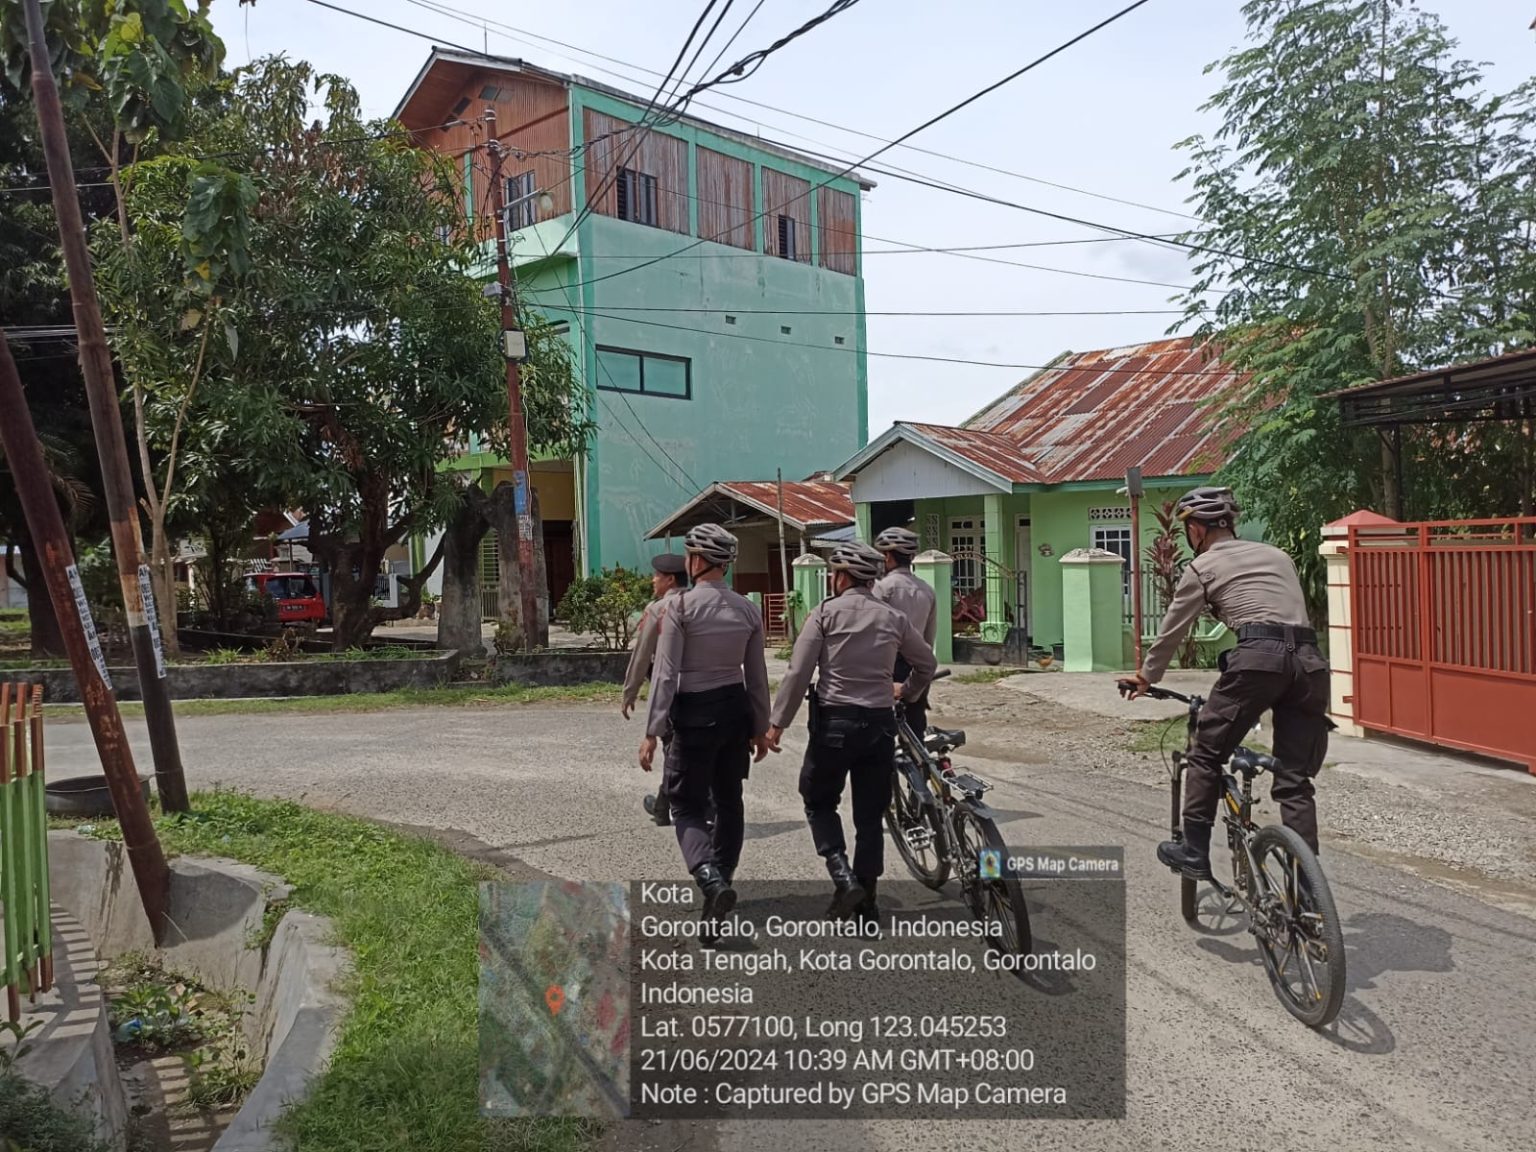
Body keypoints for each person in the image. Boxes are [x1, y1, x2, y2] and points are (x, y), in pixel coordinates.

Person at [1121, 486, 1330, 880]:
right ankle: (1308, 887)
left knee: (1205, 755)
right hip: (1310, 663)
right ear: (1230, 523)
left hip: (1256, 660)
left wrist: (1147, 678)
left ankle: (1195, 852)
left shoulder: (1200, 568)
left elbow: (1171, 632)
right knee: (1294, 779)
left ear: (1196, 531)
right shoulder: (1278, 556)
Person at [766, 541, 937, 927]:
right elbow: (926, 663)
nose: (831, 578)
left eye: (833, 573)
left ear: (842, 577)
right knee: (869, 816)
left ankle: (843, 877)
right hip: (879, 725)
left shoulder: (824, 614)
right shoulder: (893, 618)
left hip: (834, 724)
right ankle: (868, 904)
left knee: (818, 800)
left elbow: (797, 673)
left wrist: (778, 723)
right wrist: (906, 692)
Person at [641, 524, 771, 926]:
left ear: (696, 561)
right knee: (730, 802)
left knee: (686, 805)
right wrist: (760, 727)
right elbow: (757, 676)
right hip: (735, 712)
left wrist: (651, 731)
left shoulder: (678, 608)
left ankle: (711, 881)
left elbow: (665, 673)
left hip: (693, 714)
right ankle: (723, 880)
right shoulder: (748, 609)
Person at [622, 553, 688, 826]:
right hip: (707, 689)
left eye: (656, 576)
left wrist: (630, 691)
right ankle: (664, 805)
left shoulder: (658, 608)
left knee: (674, 748)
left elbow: (642, 654)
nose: (652, 580)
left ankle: (667, 806)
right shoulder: (701, 603)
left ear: (670, 579)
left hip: (670, 689)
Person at [872, 526, 937, 736]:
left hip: (888, 666)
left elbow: (874, 633)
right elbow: (929, 636)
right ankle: (922, 767)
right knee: (915, 726)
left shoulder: (881, 588)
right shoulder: (927, 590)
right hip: (917, 665)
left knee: (882, 732)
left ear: (887, 556)